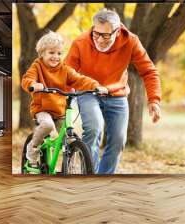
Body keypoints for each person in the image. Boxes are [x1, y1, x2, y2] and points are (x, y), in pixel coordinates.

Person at [65, 8, 161, 174]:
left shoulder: (131, 41)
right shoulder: (80, 42)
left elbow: (149, 71)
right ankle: (90, 177)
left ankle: (104, 179)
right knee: (94, 128)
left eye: (106, 35)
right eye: (97, 34)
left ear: (118, 31)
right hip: (87, 91)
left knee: (118, 140)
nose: (100, 40)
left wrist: (154, 100)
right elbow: (67, 74)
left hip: (117, 94)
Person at [21, 31, 108, 168]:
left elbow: (80, 79)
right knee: (48, 125)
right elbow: (27, 79)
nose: (56, 57)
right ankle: (32, 148)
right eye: (51, 53)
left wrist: (96, 86)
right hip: (42, 108)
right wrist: (33, 85)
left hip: (60, 110)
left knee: (70, 138)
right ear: (41, 53)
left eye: (59, 53)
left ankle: (69, 166)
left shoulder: (65, 69)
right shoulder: (37, 66)